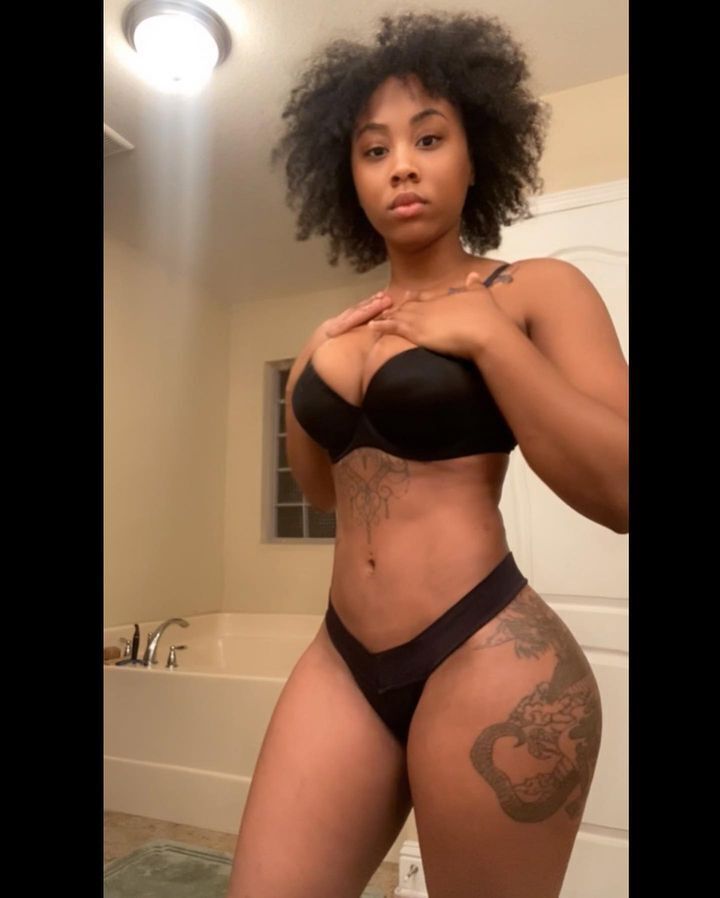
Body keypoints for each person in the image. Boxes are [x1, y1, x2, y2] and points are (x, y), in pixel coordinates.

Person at [226, 11, 628, 898]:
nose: (401, 165)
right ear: (350, 178)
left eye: (429, 138)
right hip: (341, 658)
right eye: (374, 150)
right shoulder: (339, 331)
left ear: (476, 156)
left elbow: (623, 491)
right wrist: (307, 384)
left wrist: (490, 339)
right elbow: (325, 494)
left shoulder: (534, 290)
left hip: (485, 653)